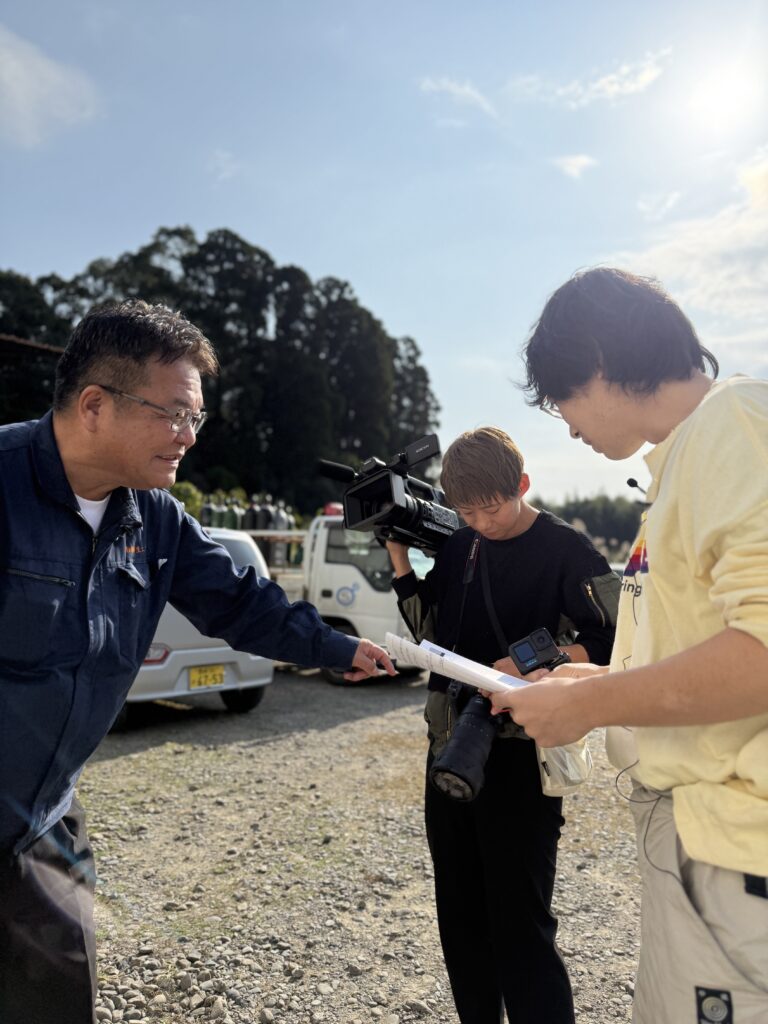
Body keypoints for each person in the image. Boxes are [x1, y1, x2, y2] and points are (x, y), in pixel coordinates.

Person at [0, 300, 394, 1024]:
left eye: (197, 418)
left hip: (45, 823)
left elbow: (246, 604)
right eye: (175, 414)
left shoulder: (154, 519)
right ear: (94, 404)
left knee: (57, 1002)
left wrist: (338, 648)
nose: (188, 438)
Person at [488, 267, 768, 1024]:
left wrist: (594, 704)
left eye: (562, 398)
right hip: (700, 843)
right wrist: (583, 683)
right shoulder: (683, 459)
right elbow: (697, 645)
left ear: (602, 361)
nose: (566, 424)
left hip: (740, 850)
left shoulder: (736, 424)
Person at [385, 426, 619, 1024]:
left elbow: (613, 638)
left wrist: (533, 660)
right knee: (460, 917)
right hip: (452, 749)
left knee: (520, 924)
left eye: (491, 506)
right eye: (466, 510)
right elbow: (431, 630)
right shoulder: (462, 544)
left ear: (522, 485)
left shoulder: (568, 550)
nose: (481, 522)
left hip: (519, 757)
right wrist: (398, 558)